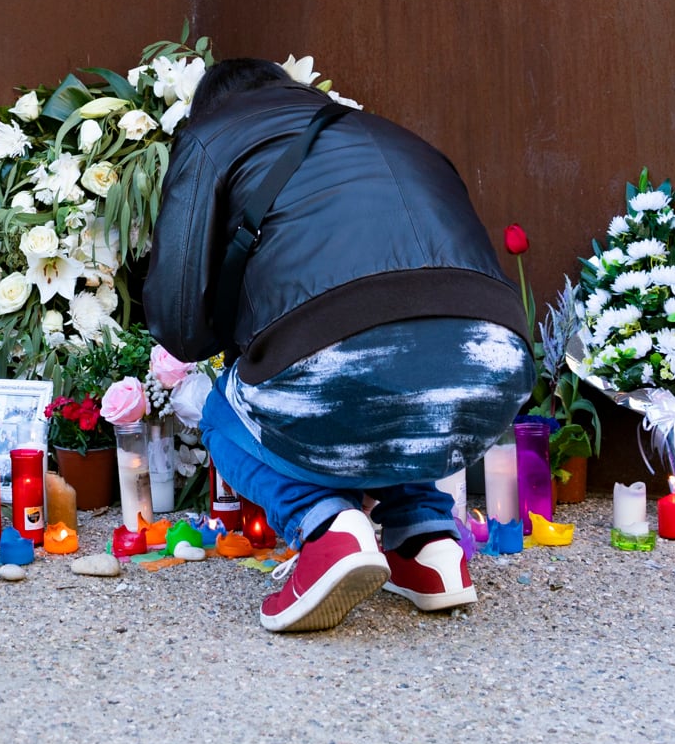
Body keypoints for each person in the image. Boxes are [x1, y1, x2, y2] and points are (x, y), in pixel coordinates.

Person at [145, 59, 532, 633]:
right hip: (498, 366)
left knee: (224, 411)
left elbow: (178, 323)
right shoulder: (392, 133)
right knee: (393, 376)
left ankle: (327, 528)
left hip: (339, 350)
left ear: (211, 105)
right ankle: (427, 547)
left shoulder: (212, 135)